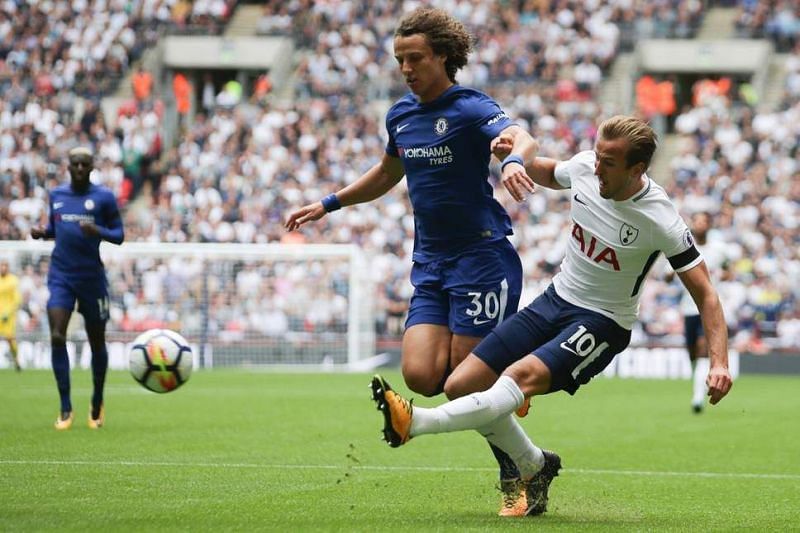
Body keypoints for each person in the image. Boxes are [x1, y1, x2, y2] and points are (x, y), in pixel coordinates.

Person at [370, 115, 734, 517]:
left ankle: (415, 422)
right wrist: (515, 159)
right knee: (460, 384)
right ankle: (535, 465)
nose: (596, 168)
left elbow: (706, 293)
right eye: (596, 156)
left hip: (603, 322)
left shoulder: (660, 219)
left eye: (608, 163)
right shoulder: (584, 168)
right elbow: (547, 169)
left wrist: (719, 362)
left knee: (516, 379)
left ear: (637, 170)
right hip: (555, 300)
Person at [285, 6, 540, 516]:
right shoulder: (400, 115)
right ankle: (517, 411)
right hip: (431, 264)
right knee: (422, 376)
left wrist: (512, 158)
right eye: (400, 59)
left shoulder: (468, 108)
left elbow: (522, 135)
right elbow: (386, 173)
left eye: (415, 57)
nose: (406, 67)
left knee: (465, 380)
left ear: (443, 57)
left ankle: (517, 472)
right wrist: (329, 202)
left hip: (481, 258)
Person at [31, 147, 125, 430]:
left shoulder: (104, 198)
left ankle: (97, 402)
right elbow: (55, 228)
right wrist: (43, 233)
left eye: (85, 164)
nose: (81, 168)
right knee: (57, 336)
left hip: (92, 278)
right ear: (69, 167)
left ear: (92, 167)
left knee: (97, 341)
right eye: (76, 164)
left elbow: (119, 235)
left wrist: (97, 231)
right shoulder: (57, 196)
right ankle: (65, 407)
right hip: (61, 275)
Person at [670, 211, 729, 413]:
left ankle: (697, 398)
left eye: (704, 221)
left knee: (703, 349)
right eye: (697, 221)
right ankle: (697, 383)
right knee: (693, 355)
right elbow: (666, 277)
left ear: (709, 225)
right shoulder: (683, 248)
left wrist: (722, 279)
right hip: (688, 308)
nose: (700, 224)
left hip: (708, 308)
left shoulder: (719, 250)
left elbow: (729, 270)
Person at [0, 260, 21, 371]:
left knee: (10, 338)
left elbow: (17, 299)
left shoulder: (13, 281)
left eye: (5, 266)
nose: (3, 268)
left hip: (8, 316)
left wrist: (8, 312)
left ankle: (16, 360)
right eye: (1, 266)